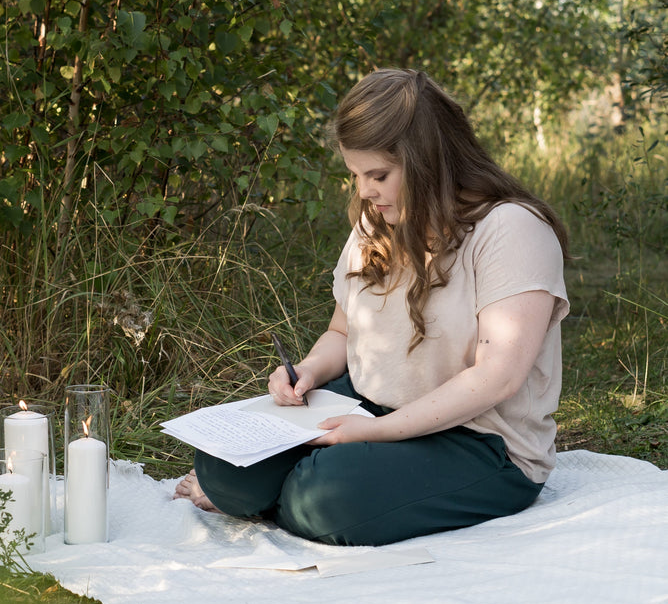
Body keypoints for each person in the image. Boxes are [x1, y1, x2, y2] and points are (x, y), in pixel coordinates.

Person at [174, 67, 570, 546]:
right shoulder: (378, 221)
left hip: (480, 441)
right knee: (222, 467)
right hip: (367, 405)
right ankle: (272, 491)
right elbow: (342, 331)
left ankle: (286, 496)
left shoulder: (510, 229)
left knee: (321, 498)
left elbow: (497, 376)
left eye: (378, 175)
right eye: (356, 175)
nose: (363, 191)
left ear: (429, 162)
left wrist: (374, 434)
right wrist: (309, 371)